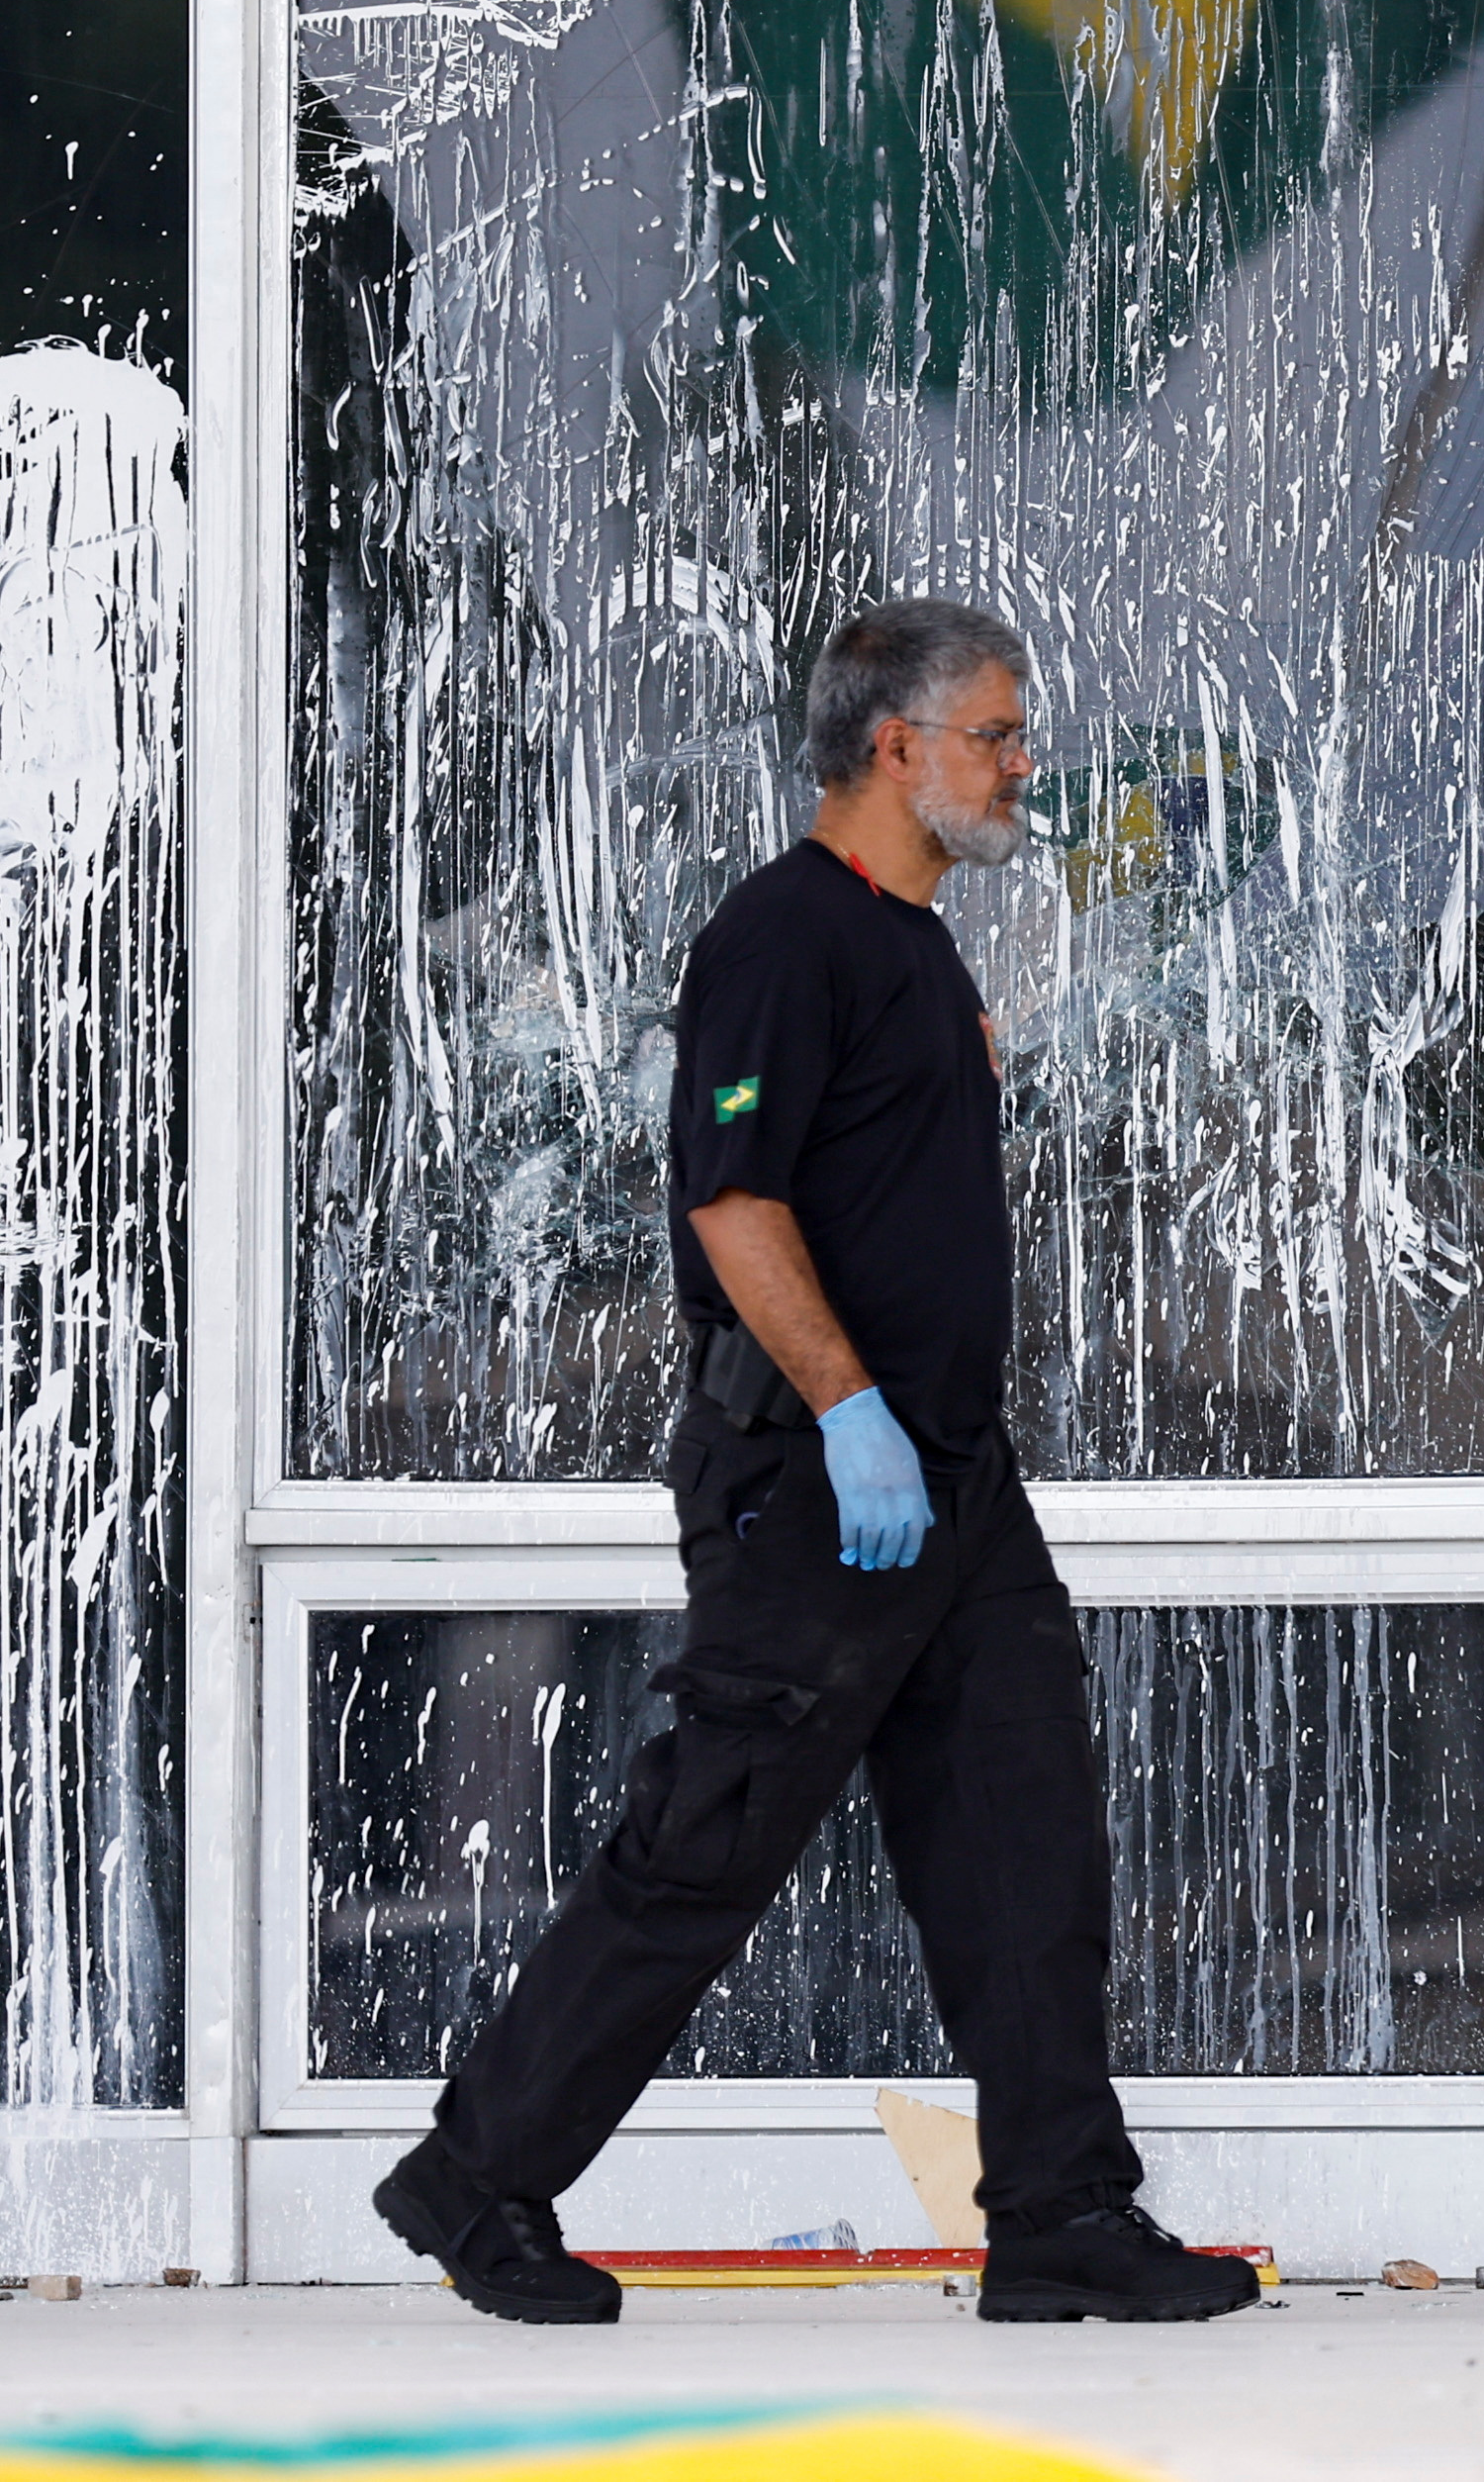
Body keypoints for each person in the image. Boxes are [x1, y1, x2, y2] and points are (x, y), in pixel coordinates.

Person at [376, 600, 1256, 2332]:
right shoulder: (785, 938)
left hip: (953, 1486)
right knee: (707, 1844)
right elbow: (732, 1199)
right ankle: (476, 2179)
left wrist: (919, 1435)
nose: (1023, 765)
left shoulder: (915, 949)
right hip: (814, 1487)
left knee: (1025, 1842)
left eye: (1019, 733)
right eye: (997, 734)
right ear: (895, 746)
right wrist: (849, 1413)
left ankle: (1061, 2215)